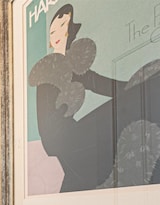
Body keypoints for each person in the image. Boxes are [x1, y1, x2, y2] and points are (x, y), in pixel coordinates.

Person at [28, 3, 160, 192]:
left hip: (71, 135)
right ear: (50, 36)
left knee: (131, 101)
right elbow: (47, 129)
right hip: (62, 139)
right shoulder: (45, 72)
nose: (60, 35)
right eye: (55, 29)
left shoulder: (73, 65)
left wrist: (137, 83)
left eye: (65, 29)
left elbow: (104, 85)